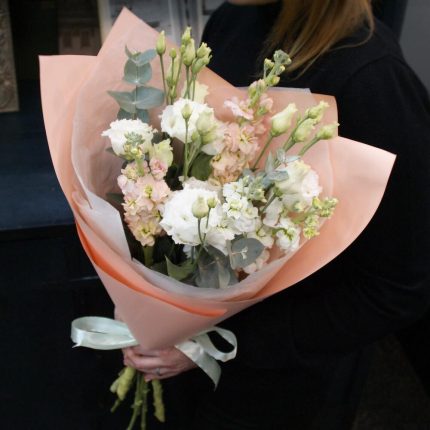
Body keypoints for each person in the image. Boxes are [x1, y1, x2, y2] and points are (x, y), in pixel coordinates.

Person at [122, 1, 430, 428]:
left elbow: (399, 287)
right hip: (194, 351)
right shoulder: (233, 21)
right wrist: (144, 297)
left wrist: (217, 343)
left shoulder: (372, 79)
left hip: (290, 379)